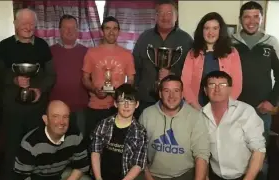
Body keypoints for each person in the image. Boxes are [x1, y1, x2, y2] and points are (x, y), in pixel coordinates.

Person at [0, 8, 56, 180]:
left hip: (36, 110)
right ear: (15, 23)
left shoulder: (42, 46)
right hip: (11, 110)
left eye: (31, 24)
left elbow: (51, 75)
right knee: (11, 151)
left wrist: (39, 89)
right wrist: (14, 80)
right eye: (23, 23)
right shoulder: (3, 46)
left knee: (35, 149)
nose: (27, 27)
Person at [134, 75, 210, 180]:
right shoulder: (147, 114)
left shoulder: (195, 116)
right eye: (166, 91)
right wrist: (147, 175)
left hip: (186, 175)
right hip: (155, 175)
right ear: (160, 93)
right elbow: (138, 151)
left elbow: (202, 155)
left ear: (182, 94)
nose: (171, 96)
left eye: (176, 91)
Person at [232, 1, 279, 180]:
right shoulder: (230, 42)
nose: (251, 21)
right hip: (233, 109)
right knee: (234, 153)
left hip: (261, 110)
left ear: (261, 18)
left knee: (261, 157)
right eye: (247, 17)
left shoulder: (272, 42)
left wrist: (272, 101)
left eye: (256, 17)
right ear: (241, 19)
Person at [202, 71, 266, 180]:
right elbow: (201, 152)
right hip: (216, 179)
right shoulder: (200, 116)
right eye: (212, 84)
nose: (217, 88)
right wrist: (205, 179)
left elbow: (259, 150)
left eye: (223, 84)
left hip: (247, 177)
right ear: (205, 90)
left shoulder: (245, 112)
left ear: (230, 89)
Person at [12, 100, 91, 180]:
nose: (61, 122)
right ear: (46, 119)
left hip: (59, 178)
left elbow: (82, 166)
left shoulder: (75, 135)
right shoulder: (30, 143)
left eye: (65, 117)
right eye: (55, 116)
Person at [133, 0, 193, 117]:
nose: (165, 17)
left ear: (176, 17)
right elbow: (135, 67)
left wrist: (172, 74)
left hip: (174, 101)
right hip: (146, 100)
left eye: (169, 13)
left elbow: (193, 72)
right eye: (161, 13)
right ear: (156, 16)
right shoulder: (144, 37)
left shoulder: (186, 40)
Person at [82, 16, 135, 147]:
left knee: (116, 146)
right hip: (95, 108)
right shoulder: (91, 53)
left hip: (118, 108)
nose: (111, 32)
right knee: (94, 145)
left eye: (115, 29)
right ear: (102, 31)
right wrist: (94, 89)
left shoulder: (127, 54)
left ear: (119, 31)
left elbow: (131, 80)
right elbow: (84, 78)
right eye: (107, 28)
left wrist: (119, 93)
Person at [90, 84, 148, 180]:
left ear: (137, 104)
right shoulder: (104, 124)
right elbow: (95, 152)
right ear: (116, 104)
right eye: (122, 101)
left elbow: (138, 164)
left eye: (130, 101)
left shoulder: (140, 131)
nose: (126, 105)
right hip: (101, 179)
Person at [181, 12, 242, 110]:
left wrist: (224, 106)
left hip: (225, 109)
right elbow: (185, 83)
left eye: (215, 28)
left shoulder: (232, 53)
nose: (210, 32)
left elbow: (237, 85)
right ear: (202, 31)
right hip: (196, 108)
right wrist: (196, 107)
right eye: (206, 28)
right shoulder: (192, 53)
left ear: (220, 30)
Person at [50, 14, 88, 136]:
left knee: (79, 142)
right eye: (66, 28)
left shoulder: (87, 52)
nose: (70, 31)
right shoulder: (49, 52)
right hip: (56, 109)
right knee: (56, 142)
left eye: (73, 28)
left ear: (78, 30)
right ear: (59, 30)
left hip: (80, 108)